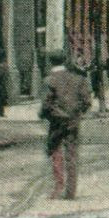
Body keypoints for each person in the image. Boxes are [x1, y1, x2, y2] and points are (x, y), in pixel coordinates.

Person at [38, 50, 92, 200]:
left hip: (56, 123)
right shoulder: (78, 79)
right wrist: (77, 113)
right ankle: (71, 191)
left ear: (51, 62)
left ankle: (58, 187)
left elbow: (46, 105)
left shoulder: (49, 80)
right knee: (72, 155)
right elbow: (87, 102)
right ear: (65, 60)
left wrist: (45, 115)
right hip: (73, 122)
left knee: (56, 153)